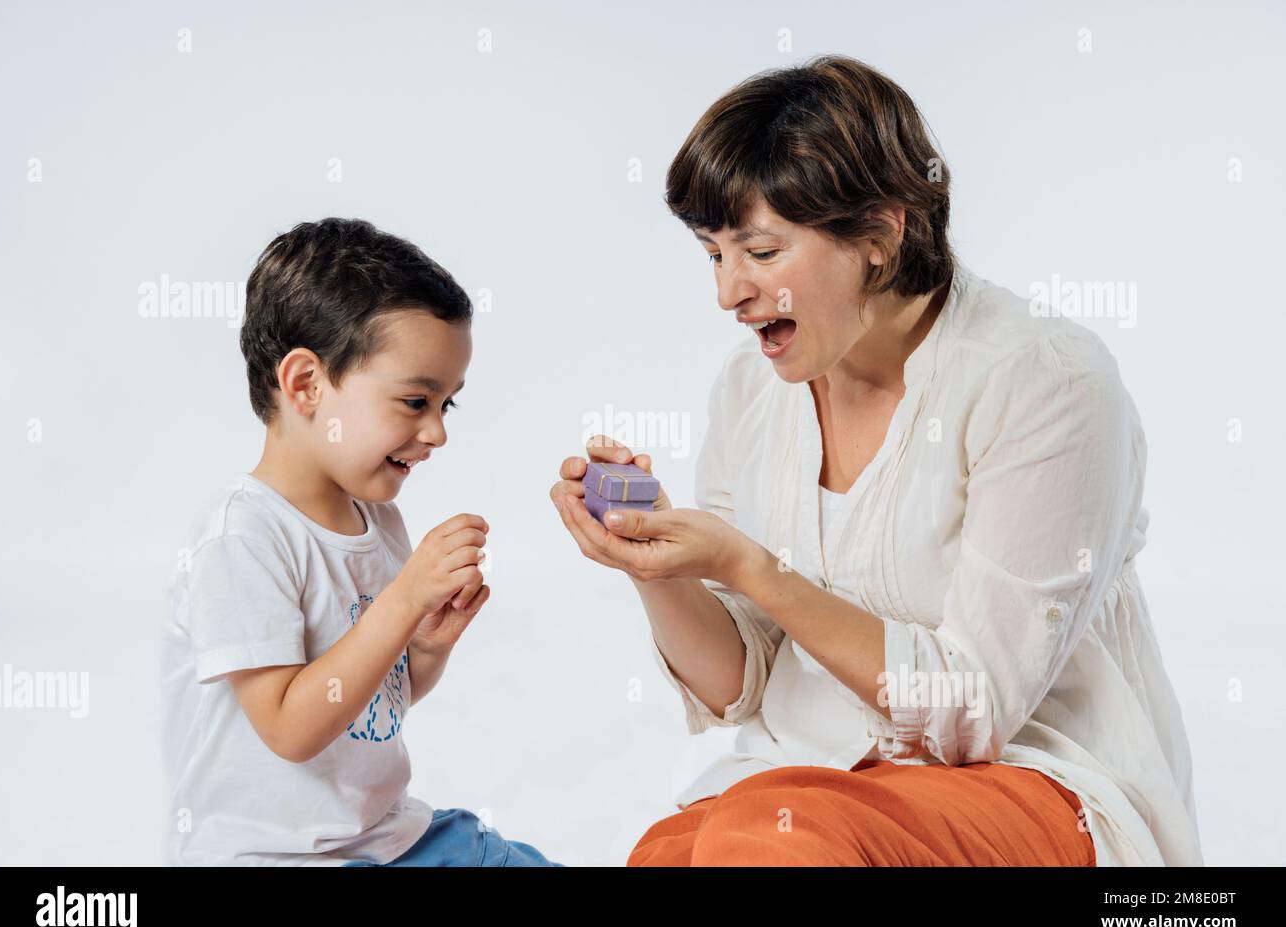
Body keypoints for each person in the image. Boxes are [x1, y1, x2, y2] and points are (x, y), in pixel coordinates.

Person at [549, 55, 1201, 866]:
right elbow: (735, 689)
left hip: (1025, 777)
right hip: (806, 779)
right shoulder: (749, 390)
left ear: (880, 235)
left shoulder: (1047, 380)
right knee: (671, 854)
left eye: (759, 250)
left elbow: (972, 711)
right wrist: (658, 567)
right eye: (713, 254)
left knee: (768, 845)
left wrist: (754, 569)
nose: (728, 293)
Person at [161, 217, 561, 866]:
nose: (437, 433)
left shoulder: (377, 521)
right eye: (414, 401)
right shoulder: (241, 539)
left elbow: (372, 704)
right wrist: (401, 604)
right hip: (269, 857)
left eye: (447, 405)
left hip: (384, 836)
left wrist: (424, 649)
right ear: (306, 385)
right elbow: (292, 729)